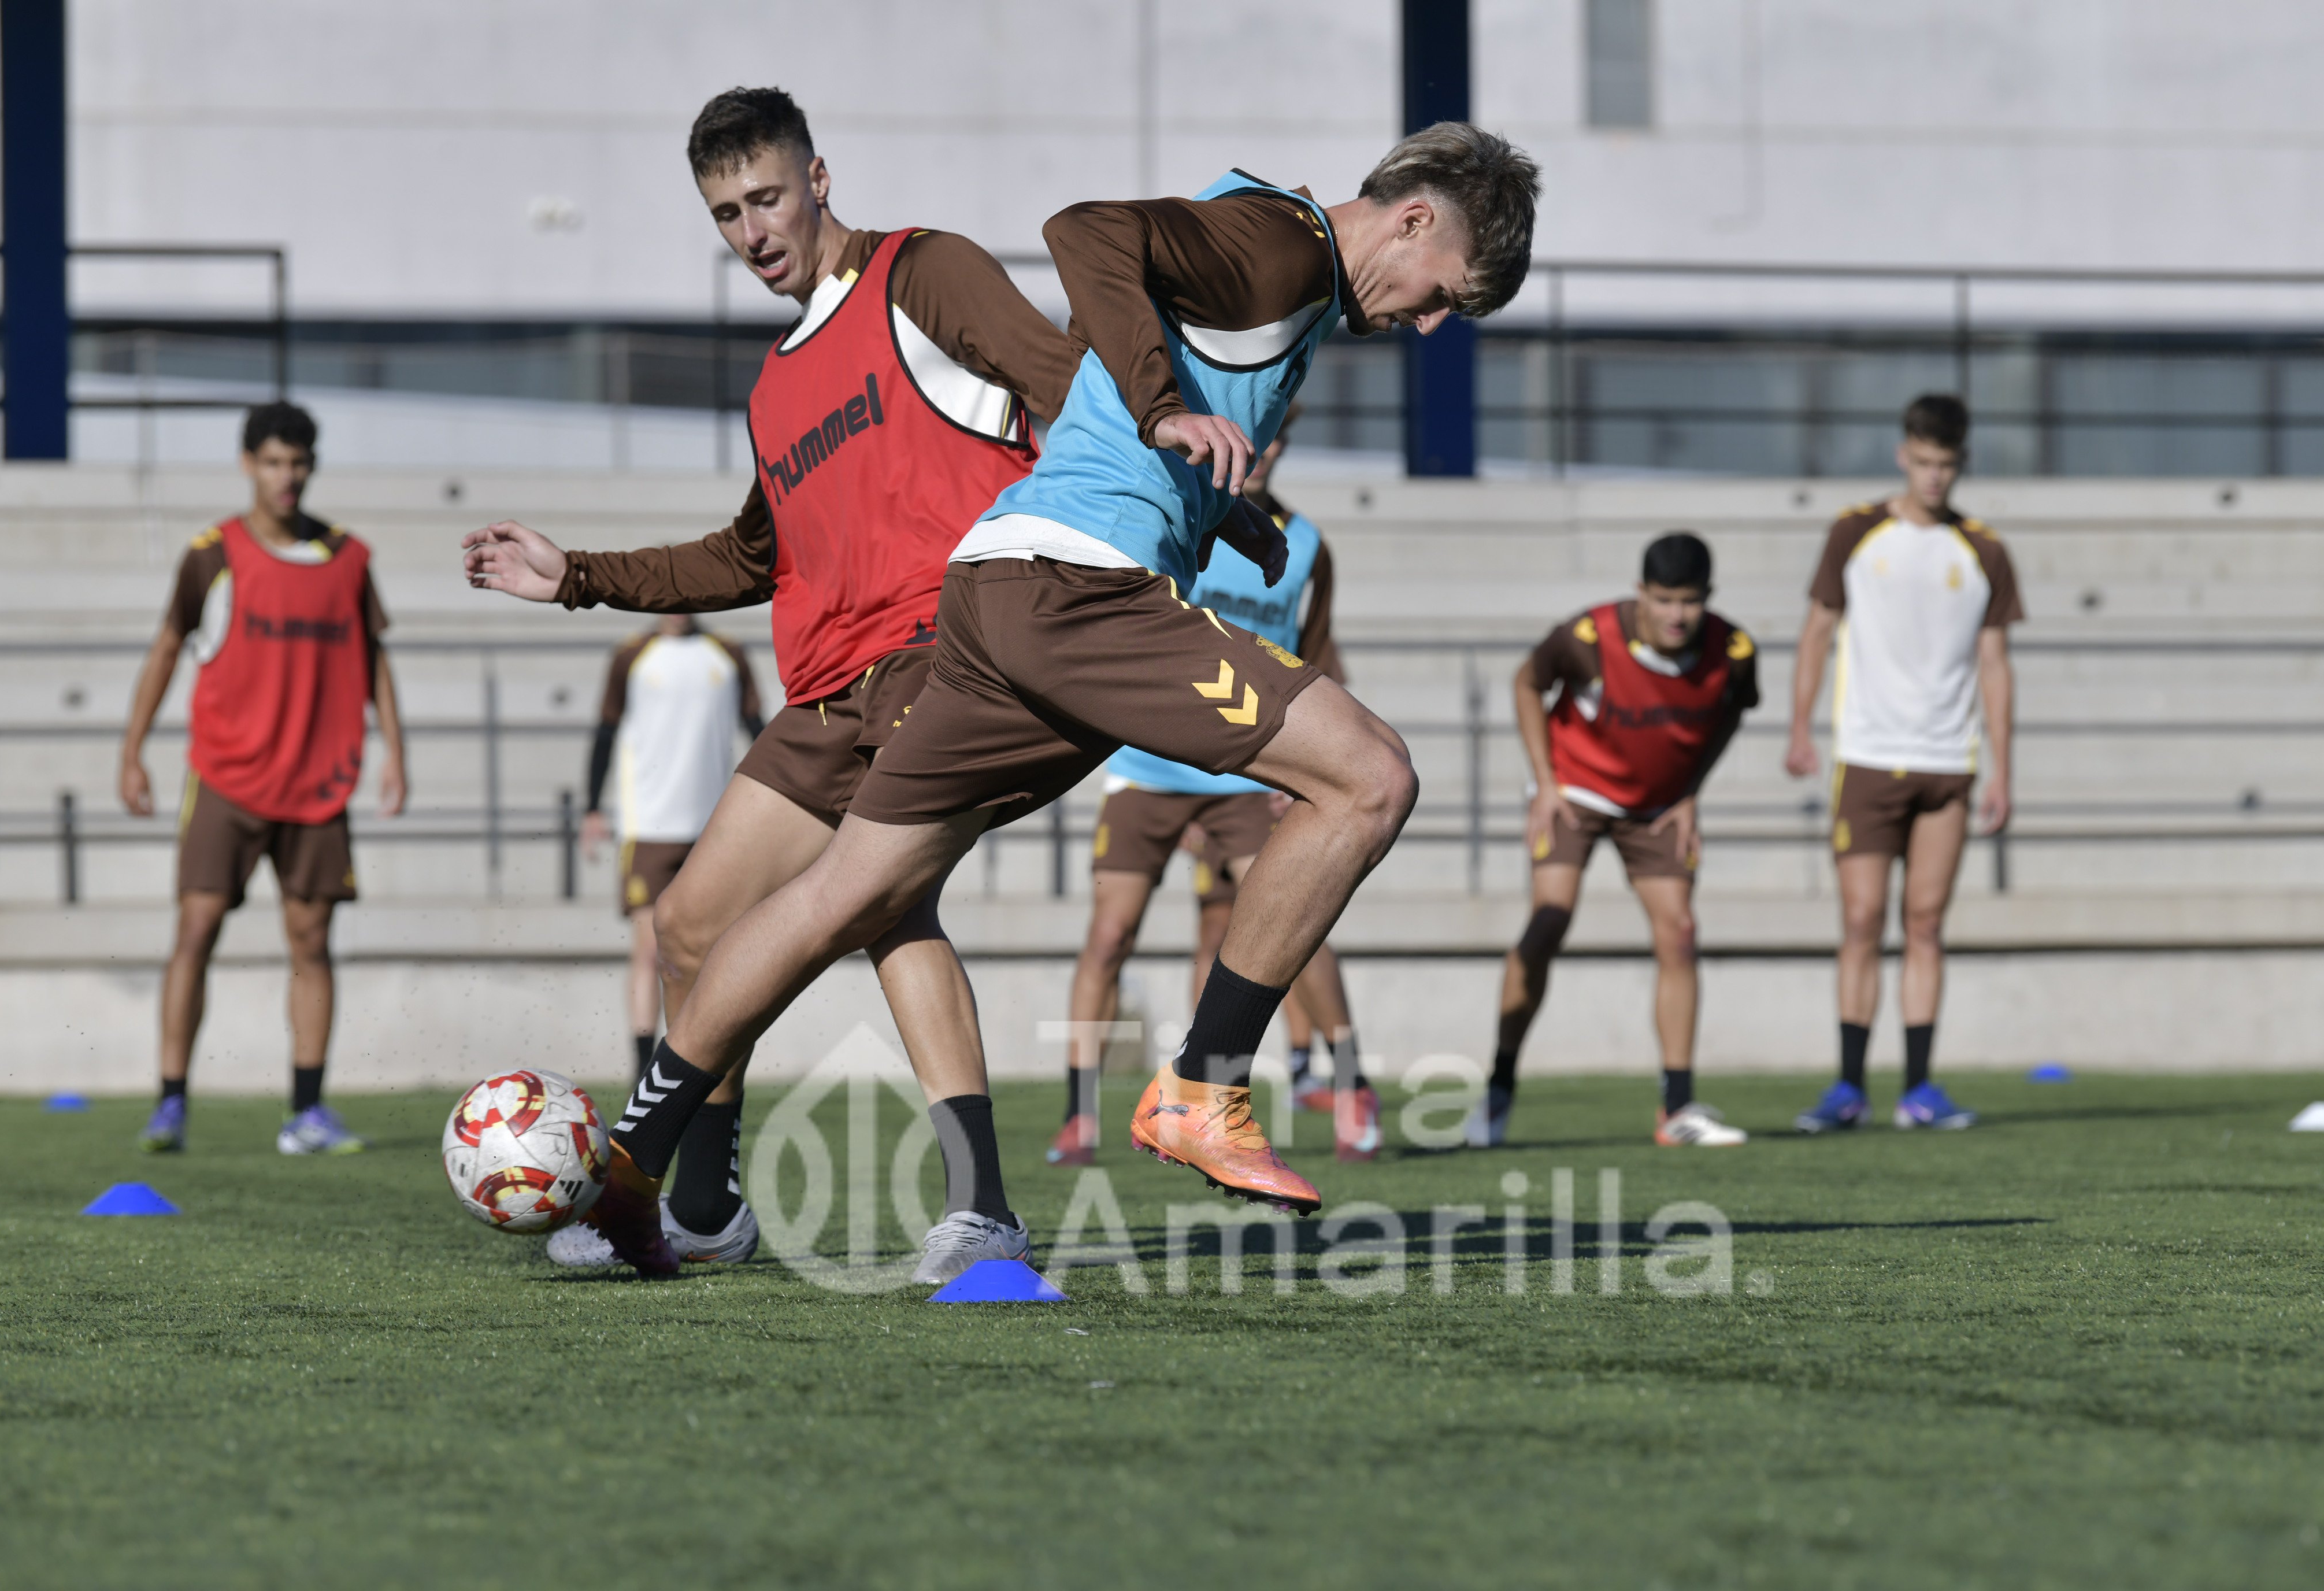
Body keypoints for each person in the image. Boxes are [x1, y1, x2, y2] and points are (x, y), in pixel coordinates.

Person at [606, 122, 1537, 1228]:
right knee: (1371, 775)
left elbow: (1121, 404)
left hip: (997, 584)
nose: (1430, 322)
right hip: (1079, 593)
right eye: (1446, 294)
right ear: (1416, 218)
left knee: (844, 893)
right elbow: (1087, 233)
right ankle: (1203, 1085)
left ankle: (621, 1175)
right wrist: (1162, 406)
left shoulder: (1279, 262)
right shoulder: (1285, 243)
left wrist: (1223, 508)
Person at [462, 87, 1075, 1279]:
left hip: (943, 657)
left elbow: (1063, 380)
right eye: (725, 213)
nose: (751, 229)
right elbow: (750, 555)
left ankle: (985, 1204)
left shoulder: (922, 272)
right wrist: (576, 574)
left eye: (766, 197)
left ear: (820, 178)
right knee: (690, 922)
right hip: (823, 693)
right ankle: (704, 1209)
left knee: (889, 910)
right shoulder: (776, 382)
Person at [1046, 420, 1378, 1169]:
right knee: (1110, 935)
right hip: (1151, 762)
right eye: (1254, 442)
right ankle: (1078, 1114)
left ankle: (1351, 1086)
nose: (1264, 456)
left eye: (1279, 443)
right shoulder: (1179, 515)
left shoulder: (1310, 545)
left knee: (1292, 919)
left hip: (1246, 769)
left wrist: (1320, 769)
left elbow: (1316, 656)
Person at [121, 401, 408, 1155]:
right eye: (274, 462)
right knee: (197, 929)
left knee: (311, 942)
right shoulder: (211, 554)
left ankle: (308, 1111)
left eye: (299, 463)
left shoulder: (349, 557)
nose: (287, 477)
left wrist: (396, 754)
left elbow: (376, 661)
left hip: (319, 784)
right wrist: (132, 751)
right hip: (226, 777)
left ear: (312, 466)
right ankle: (172, 1103)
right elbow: (165, 648)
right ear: (250, 463)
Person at [1472, 532, 1758, 1149]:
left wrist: (1691, 791)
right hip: (1575, 791)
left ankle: (1677, 1107)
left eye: (1690, 600)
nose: (1678, 615)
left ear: (1707, 597)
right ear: (1641, 594)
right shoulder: (1587, 640)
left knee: (1679, 932)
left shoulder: (1732, 650)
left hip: (1657, 806)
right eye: (1664, 600)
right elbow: (1527, 684)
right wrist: (1545, 785)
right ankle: (1497, 1090)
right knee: (1550, 921)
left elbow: (1733, 709)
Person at [1786, 393, 2019, 1133]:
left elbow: (1996, 664)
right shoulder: (1856, 532)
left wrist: (2004, 770)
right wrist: (1798, 725)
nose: (1934, 477)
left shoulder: (1983, 549)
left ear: (1961, 464)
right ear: (1903, 455)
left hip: (1948, 761)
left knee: (1925, 923)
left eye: (1946, 465)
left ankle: (1919, 1087)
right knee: (1861, 921)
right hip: (1867, 756)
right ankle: (1848, 1086)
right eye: (1923, 462)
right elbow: (1818, 631)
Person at [580, 615, 764, 1079]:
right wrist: (592, 807)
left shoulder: (728, 653)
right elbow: (604, 731)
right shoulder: (633, 654)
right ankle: (645, 1067)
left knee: (705, 951)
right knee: (650, 948)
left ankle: (693, 1063)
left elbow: (758, 731)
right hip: (649, 825)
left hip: (713, 827)